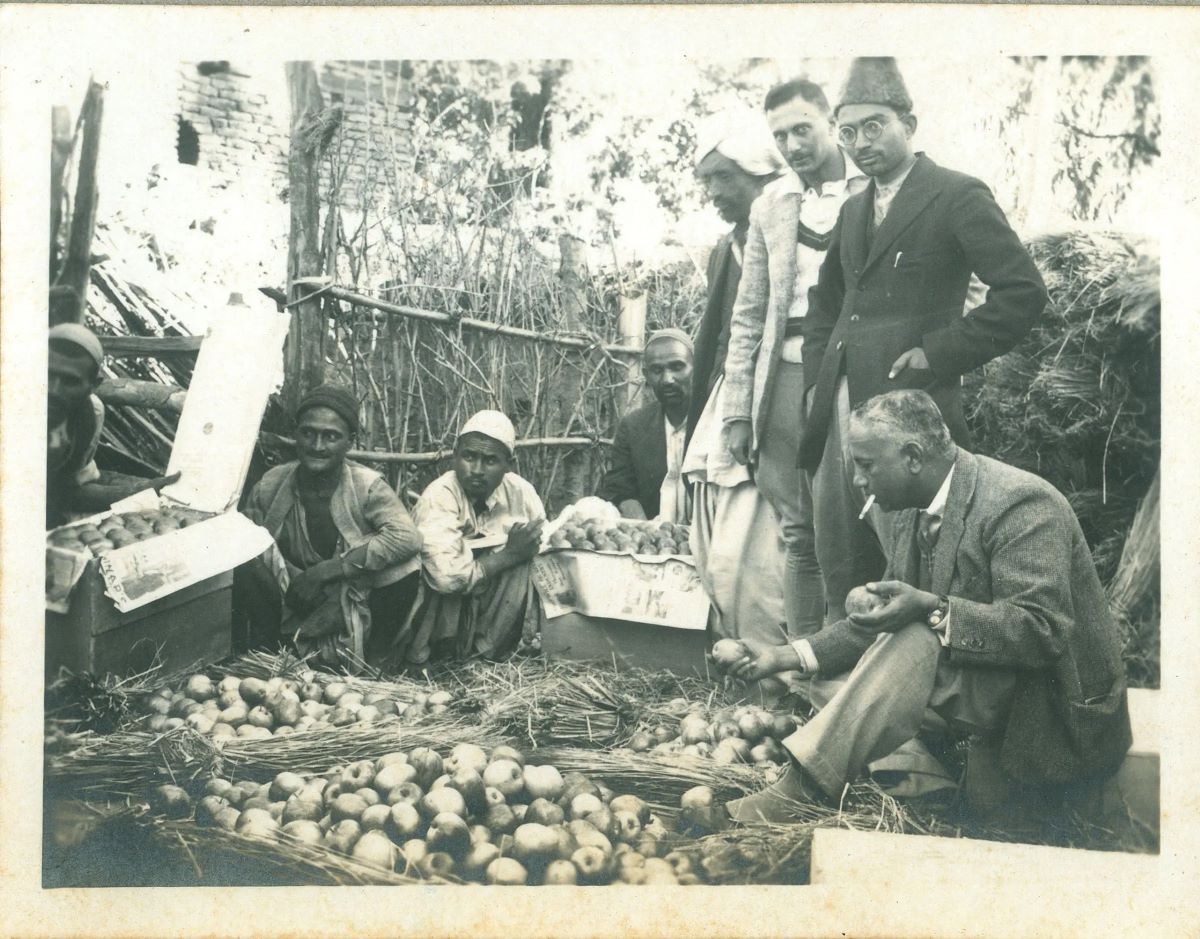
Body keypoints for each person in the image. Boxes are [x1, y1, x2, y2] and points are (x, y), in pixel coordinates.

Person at [723, 390, 1132, 822]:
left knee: (915, 643)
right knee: (827, 683)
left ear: (913, 457)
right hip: (986, 689)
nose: (858, 481)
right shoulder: (912, 510)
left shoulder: (1021, 503)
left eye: (866, 465)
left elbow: (1040, 631)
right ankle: (923, 774)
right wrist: (783, 657)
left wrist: (934, 609)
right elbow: (877, 623)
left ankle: (803, 789)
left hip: (1049, 712)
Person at [799, 57, 1047, 627]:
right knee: (841, 559)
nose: (861, 143)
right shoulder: (853, 209)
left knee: (918, 563)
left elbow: (1023, 292)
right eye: (847, 132)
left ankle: (915, 679)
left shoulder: (956, 194)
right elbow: (825, 304)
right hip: (838, 407)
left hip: (912, 409)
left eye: (875, 126)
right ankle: (845, 676)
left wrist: (939, 353)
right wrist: (817, 378)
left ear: (908, 124)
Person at [720, 78, 869, 639]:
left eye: (803, 129)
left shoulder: (875, 187)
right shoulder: (772, 206)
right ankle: (804, 664)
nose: (793, 145)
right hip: (783, 377)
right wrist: (738, 412)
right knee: (799, 531)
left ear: (832, 122)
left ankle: (854, 661)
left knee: (851, 528)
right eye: (780, 135)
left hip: (853, 374)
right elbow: (748, 315)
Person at [681, 110, 791, 653]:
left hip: (782, 397)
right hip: (730, 401)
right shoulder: (727, 250)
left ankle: (777, 659)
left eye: (724, 177)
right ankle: (737, 651)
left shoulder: (800, 234)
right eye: (707, 181)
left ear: (763, 174)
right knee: (718, 537)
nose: (714, 194)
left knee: (767, 545)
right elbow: (723, 338)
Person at [238, 384, 422, 667]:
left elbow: (407, 538)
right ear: (295, 433)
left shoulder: (367, 487)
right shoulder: (271, 485)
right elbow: (243, 540)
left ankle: (375, 663)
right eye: (308, 433)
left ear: (350, 441)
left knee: (405, 566)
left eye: (331, 436)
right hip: (292, 598)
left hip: (348, 600)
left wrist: (327, 571)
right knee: (245, 560)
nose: (317, 446)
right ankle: (271, 653)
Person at [398, 410, 546, 664]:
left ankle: (488, 654)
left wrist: (518, 554)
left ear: (509, 464)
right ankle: (437, 658)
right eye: (469, 457)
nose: (477, 470)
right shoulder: (440, 496)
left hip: (491, 612)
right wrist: (508, 555)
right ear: (455, 455)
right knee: (446, 567)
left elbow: (542, 542)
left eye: (490, 460)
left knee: (529, 559)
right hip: (439, 617)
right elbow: (446, 579)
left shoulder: (521, 493)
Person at [46, 321, 179, 528]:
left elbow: (68, 491)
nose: (53, 390)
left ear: (93, 385)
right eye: (46, 374)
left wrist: (140, 491)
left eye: (70, 381)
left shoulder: (89, 415)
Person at [597, 329, 695, 523]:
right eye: (657, 370)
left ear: (696, 368)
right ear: (646, 375)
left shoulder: (715, 424)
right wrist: (646, 530)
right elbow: (620, 490)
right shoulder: (634, 427)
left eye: (677, 367)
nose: (667, 379)